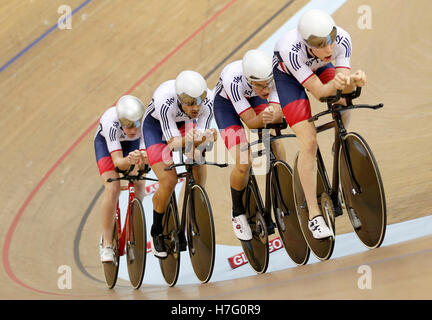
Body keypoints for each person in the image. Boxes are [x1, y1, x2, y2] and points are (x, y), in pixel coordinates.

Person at [271, 9, 366, 239]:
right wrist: (339, 84)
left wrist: (354, 82)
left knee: (343, 101)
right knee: (309, 142)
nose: (329, 49)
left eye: (330, 42)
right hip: (288, 78)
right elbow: (321, 93)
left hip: (317, 67)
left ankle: (339, 146)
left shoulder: (342, 38)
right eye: (321, 45)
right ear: (306, 43)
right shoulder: (290, 49)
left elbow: (342, 87)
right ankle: (314, 214)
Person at [142, 70, 216, 258]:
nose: (195, 107)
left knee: (197, 155)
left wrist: (206, 137)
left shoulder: (207, 101)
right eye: (190, 103)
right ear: (179, 98)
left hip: (184, 126)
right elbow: (173, 143)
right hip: (157, 129)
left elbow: (200, 138)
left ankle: (197, 199)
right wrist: (198, 138)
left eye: (198, 101)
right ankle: (156, 230)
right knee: (168, 180)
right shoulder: (164, 100)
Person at [213, 49, 285, 241]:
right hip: (226, 107)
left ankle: (282, 184)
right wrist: (268, 115)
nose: (266, 90)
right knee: (243, 162)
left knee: (272, 137)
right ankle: (237, 211)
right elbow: (251, 122)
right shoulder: (233, 80)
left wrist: (274, 114)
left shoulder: (273, 74)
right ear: (249, 81)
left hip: (254, 100)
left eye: (268, 84)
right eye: (261, 86)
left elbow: (277, 111)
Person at [94, 95, 147, 262]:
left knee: (139, 182)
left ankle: (133, 226)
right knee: (113, 188)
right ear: (120, 121)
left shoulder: (146, 123)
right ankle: (107, 244)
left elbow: (147, 161)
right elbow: (118, 163)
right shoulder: (111, 122)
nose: (131, 130)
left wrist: (142, 160)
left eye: (135, 125)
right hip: (107, 146)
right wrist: (129, 160)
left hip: (132, 146)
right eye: (127, 125)